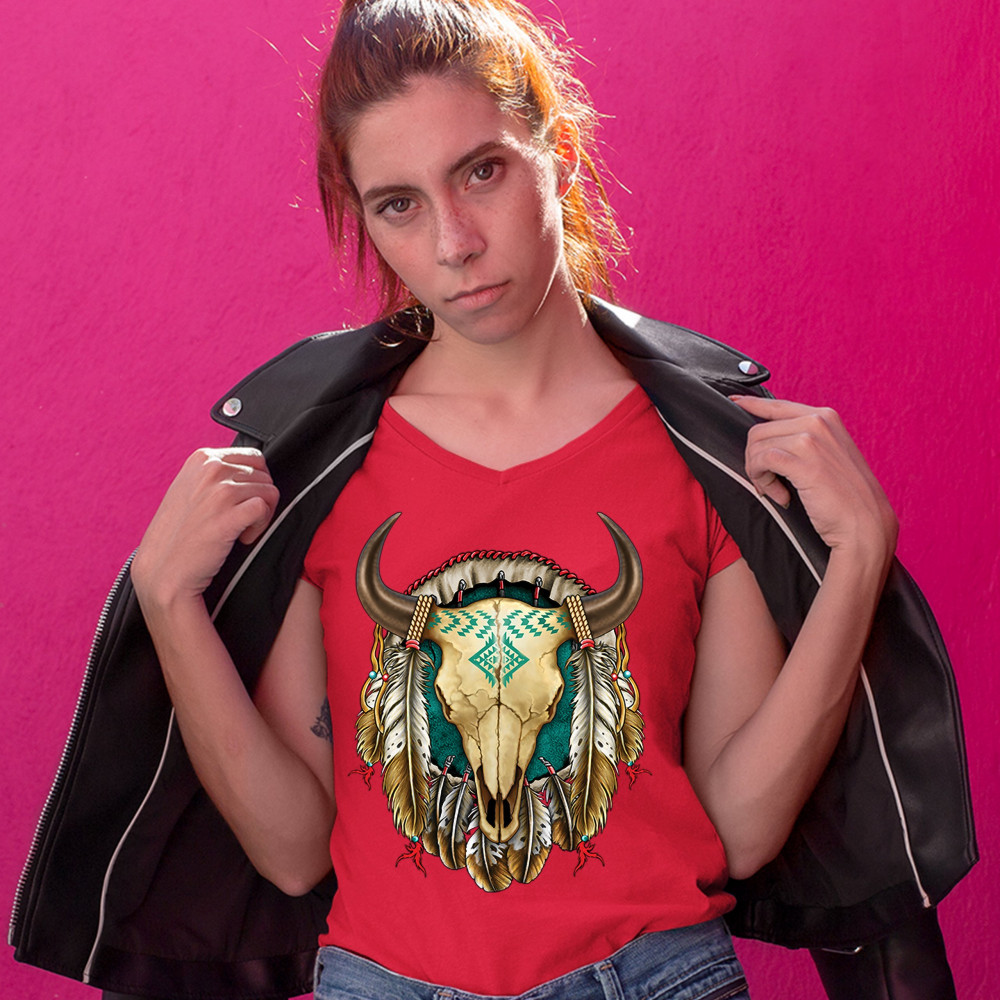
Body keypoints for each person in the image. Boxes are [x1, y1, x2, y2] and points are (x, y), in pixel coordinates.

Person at [11, 1, 973, 999]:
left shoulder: (705, 459)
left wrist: (857, 565)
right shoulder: (319, 469)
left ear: (558, 155)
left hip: (652, 976)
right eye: (398, 204)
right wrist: (168, 604)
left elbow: (732, 830)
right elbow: (295, 852)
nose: (454, 242)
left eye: (481, 171)